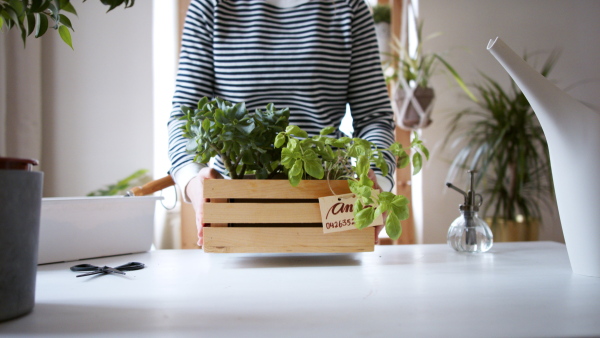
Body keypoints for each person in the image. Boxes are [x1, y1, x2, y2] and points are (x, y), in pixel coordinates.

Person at [168, 0, 396, 246]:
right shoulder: (211, 5)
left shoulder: (347, 7)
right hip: (236, 213)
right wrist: (194, 183)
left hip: (329, 208)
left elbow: (374, 116)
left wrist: (377, 185)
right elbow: (186, 117)